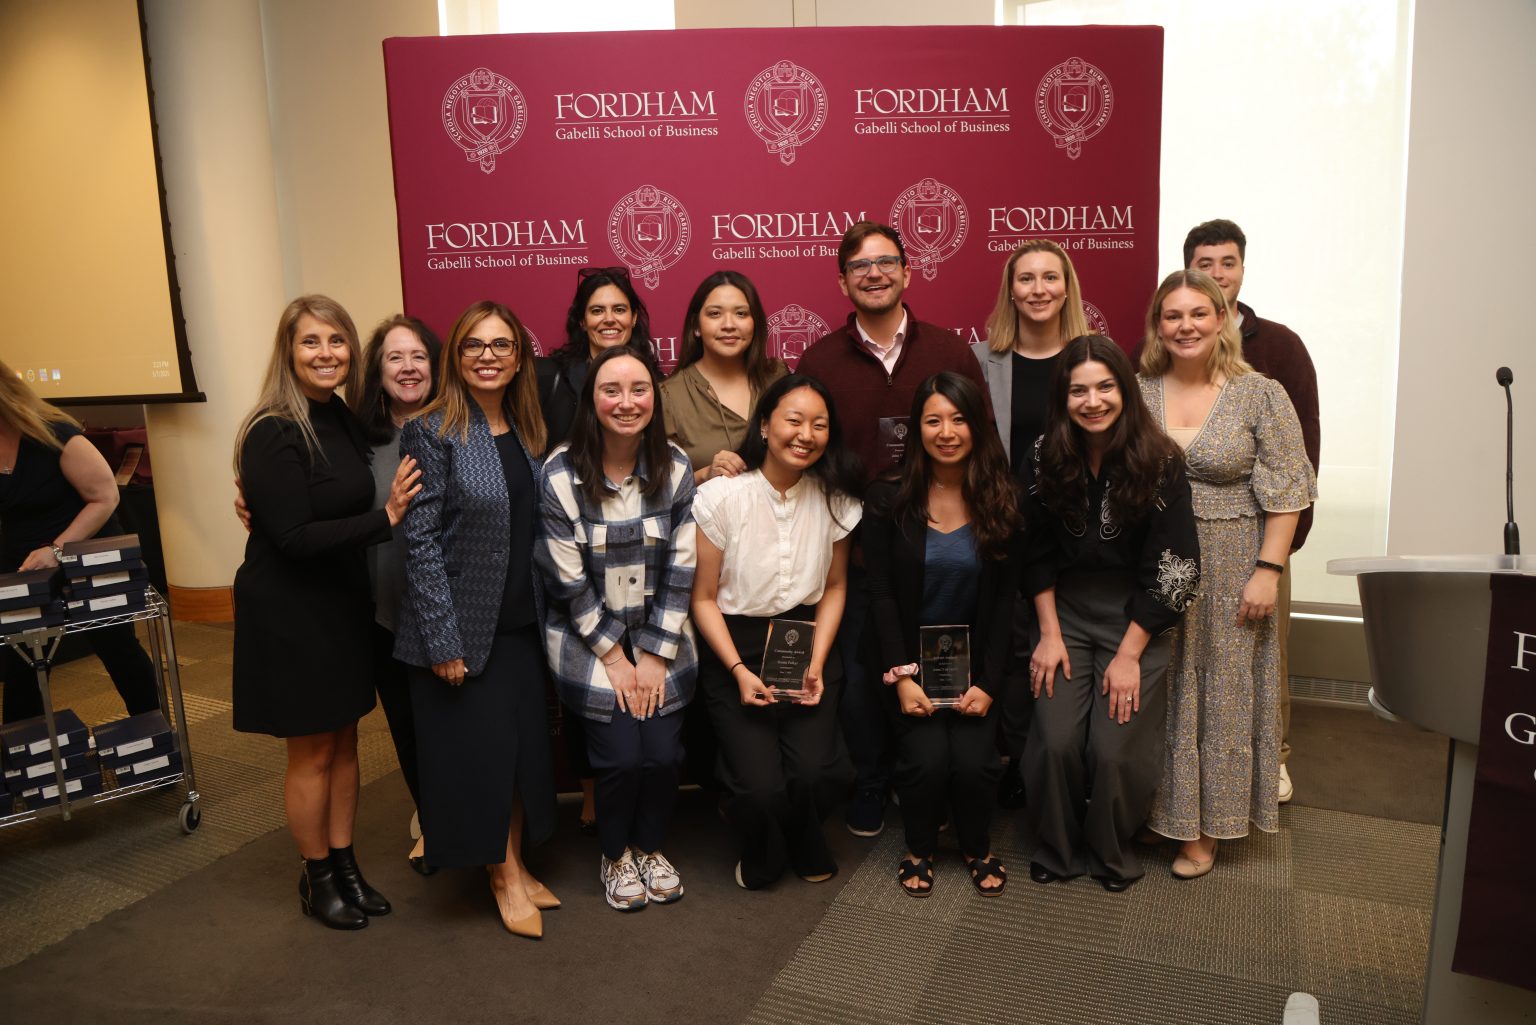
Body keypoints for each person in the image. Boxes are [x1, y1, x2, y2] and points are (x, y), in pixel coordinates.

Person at [231, 295, 421, 930]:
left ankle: (345, 864)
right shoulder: (272, 428)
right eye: (311, 342)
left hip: (342, 604)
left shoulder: (338, 416)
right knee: (310, 752)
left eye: (336, 341)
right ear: (288, 351)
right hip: (292, 612)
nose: (325, 354)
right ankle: (316, 877)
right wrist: (385, 519)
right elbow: (291, 538)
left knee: (344, 743)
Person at [795, 220, 990, 839]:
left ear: (909, 272)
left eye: (886, 263)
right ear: (842, 281)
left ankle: (925, 776)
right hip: (854, 549)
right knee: (859, 678)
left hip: (940, 545)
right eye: (859, 266)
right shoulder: (821, 358)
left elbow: (978, 440)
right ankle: (873, 781)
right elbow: (806, 449)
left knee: (936, 662)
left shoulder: (950, 352)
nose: (874, 274)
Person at [1138, 271, 1316, 878]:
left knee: (1223, 696)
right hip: (1157, 559)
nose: (1185, 326)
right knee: (1163, 686)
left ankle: (1208, 829)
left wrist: (1267, 571)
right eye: (1172, 315)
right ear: (1157, 325)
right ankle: (1163, 811)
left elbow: (1289, 490)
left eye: (1197, 314)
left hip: (1235, 557)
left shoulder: (1259, 393)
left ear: (1222, 319)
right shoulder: (1136, 392)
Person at [393, 300, 558, 939]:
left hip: (522, 624)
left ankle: (514, 860)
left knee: (518, 759)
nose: (488, 357)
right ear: (455, 358)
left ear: (519, 358)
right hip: (462, 631)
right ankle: (502, 876)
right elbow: (420, 542)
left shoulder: (528, 429)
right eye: (474, 346)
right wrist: (443, 640)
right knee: (482, 762)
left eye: (501, 346)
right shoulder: (431, 430)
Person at [1022, 336, 1199, 892]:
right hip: (1064, 613)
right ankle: (1057, 846)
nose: (1092, 401)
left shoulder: (1161, 458)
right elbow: (1032, 551)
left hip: (1136, 618)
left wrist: (1129, 654)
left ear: (1125, 389)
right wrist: (1048, 634)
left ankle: (1110, 849)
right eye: (1078, 390)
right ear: (1063, 396)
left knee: (1114, 749)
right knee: (1054, 741)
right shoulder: (1043, 454)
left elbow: (1176, 567)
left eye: (1105, 387)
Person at [535, 346, 697, 912]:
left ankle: (650, 848)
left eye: (639, 390)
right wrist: (614, 657)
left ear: (655, 397)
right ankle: (614, 854)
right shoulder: (559, 474)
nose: (626, 403)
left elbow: (681, 569)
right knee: (622, 758)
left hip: (659, 631)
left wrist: (653, 654)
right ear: (591, 400)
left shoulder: (675, 467)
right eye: (611, 390)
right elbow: (566, 581)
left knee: (661, 756)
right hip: (587, 637)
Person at [690, 374, 862, 889]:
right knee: (760, 787)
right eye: (793, 420)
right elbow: (701, 599)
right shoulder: (722, 498)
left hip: (805, 640)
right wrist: (739, 671)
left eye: (819, 424)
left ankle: (806, 835)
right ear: (764, 426)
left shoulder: (836, 500)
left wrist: (817, 661)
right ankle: (765, 847)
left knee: (818, 773)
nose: (805, 433)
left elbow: (834, 589)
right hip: (735, 647)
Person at [862, 372, 1021, 898]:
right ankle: (918, 850)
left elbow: (1004, 603)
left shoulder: (1000, 498)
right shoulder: (889, 498)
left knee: (976, 763)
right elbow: (881, 593)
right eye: (933, 420)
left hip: (975, 669)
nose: (946, 431)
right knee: (926, 761)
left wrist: (990, 684)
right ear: (917, 428)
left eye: (958, 419)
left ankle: (977, 846)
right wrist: (903, 677)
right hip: (908, 666)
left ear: (976, 425)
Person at [1184, 219, 1320, 803]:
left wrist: (1279, 552)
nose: (1217, 274)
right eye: (1205, 264)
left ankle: (1273, 758)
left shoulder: (1280, 347)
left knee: (1262, 654)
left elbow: (1301, 448)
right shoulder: (1167, 347)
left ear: (1243, 268)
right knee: (1191, 659)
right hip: (1181, 541)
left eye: (1228, 262)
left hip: (1258, 536)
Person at [536, 266, 658, 835]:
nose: (609, 319)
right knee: (585, 675)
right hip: (567, 536)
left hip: (633, 547)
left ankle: (620, 792)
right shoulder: (550, 377)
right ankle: (589, 788)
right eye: (597, 310)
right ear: (580, 319)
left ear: (634, 317)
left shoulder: (650, 374)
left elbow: (660, 456)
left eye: (619, 309)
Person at [973, 239, 1092, 809]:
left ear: (1066, 287)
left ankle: (1065, 768)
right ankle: (1015, 763)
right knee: (1013, 651)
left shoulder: (1094, 359)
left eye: (1050, 277)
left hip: (1078, 537)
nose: (1038, 289)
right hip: (1002, 530)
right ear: (1010, 290)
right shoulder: (980, 360)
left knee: (1068, 651)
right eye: (1026, 279)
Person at [0, 362, 159, 724]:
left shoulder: (55, 433)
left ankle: (155, 744)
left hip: (87, 551)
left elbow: (104, 497)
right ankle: (28, 761)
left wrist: (56, 551)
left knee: (117, 647)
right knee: (23, 657)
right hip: (24, 560)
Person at [349, 315, 441, 873]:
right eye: (394, 358)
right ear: (377, 371)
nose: (408, 368)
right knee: (407, 725)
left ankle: (470, 820)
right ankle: (431, 819)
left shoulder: (462, 428)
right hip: (384, 610)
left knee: (453, 723)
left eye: (419, 357)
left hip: (454, 611)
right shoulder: (356, 442)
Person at [661, 269, 789, 485]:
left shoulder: (777, 377)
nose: (729, 324)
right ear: (696, 327)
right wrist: (705, 474)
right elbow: (660, 487)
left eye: (741, 314)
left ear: (755, 323)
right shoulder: (670, 396)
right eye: (715, 314)